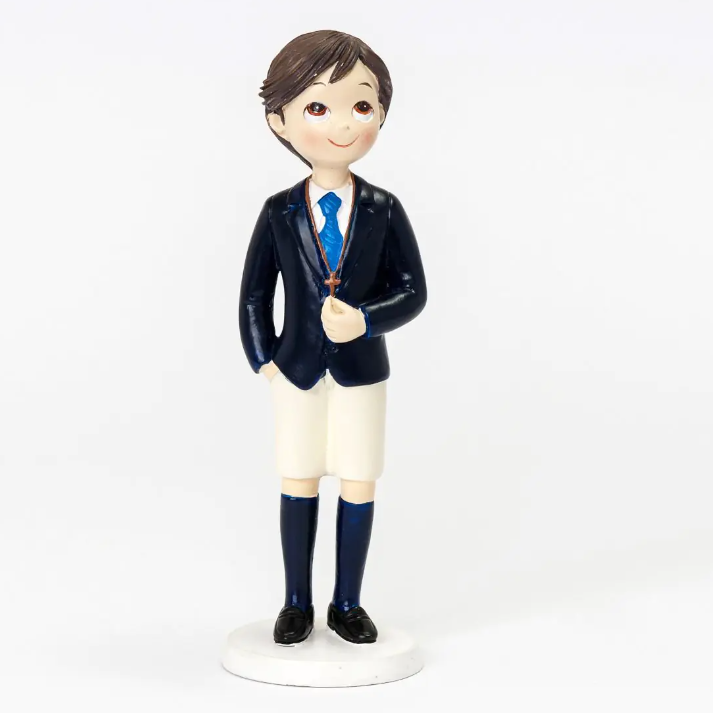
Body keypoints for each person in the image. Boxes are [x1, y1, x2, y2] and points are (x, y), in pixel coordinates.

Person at [239, 30, 427, 645]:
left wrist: (366, 320)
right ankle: (296, 601)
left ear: (381, 114)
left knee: (359, 477)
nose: (343, 124)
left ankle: (347, 602)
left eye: (362, 105)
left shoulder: (383, 208)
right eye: (318, 107)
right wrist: (264, 357)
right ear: (280, 121)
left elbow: (413, 290)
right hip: (295, 370)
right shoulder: (279, 211)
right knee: (297, 476)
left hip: (361, 370)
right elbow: (254, 292)